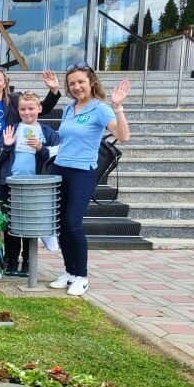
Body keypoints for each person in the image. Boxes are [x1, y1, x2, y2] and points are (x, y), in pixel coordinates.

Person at [50, 65, 131, 297]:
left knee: (72, 222)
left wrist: (118, 108)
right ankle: (69, 272)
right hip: (60, 169)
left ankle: (82, 277)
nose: (76, 87)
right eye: (72, 83)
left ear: (91, 82)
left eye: (81, 82)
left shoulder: (100, 109)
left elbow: (123, 136)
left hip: (82, 172)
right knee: (61, 224)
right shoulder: (69, 109)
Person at [0, 92, 61, 277]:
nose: (27, 112)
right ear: (18, 110)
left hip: (36, 187)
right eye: (23, 109)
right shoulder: (12, 129)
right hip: (11, 185)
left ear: (39, 109)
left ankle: (29, 260)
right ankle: (12, 259)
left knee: (31, 224)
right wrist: (6, 146)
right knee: (12, 224)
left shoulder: (48, 132)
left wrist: (41, 148)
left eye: (31, 108)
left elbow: (57, 159)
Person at [0, 68, 61, 183]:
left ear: (5, 83)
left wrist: (54, 89)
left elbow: (41, 109)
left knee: (5, 197)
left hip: (9, 161)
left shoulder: (15, 100)